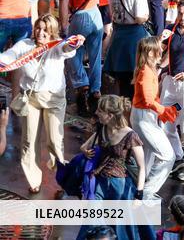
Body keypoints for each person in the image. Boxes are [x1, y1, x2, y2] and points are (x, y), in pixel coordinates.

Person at [0, 15, 83, 193]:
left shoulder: (57, 45)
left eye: (46, 30)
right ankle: (34, 181)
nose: (41, 33)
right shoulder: (24, 46)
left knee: (55, 140)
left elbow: (69, 48)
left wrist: (76, 42)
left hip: (54, 99)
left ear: (52, 32)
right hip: (30, 98)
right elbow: (7, 58)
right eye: (38, 28)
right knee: (29, 141)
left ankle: (62, 177)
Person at [78, 95, 147, 240]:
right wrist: (86, 151)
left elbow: (142, 167)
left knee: (117, 226)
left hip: (119, 186)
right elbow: (84, 146)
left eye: (100, 111)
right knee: (91, 219)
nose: (96, 113)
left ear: (110, 115)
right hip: (100, 182)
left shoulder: (130, 135)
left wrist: (138, 195)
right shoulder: (102, 129)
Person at [130, 36, 177, 200]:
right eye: (159, 48)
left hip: (144, 116)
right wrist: (163, 110)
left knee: (149, 155)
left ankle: (141, 189)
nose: (162, 50)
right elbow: (148, 99)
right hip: (143, 118)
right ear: (150, 53)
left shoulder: (146, 69)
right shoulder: (145, 72)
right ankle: (148, 191)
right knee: (167, 156)